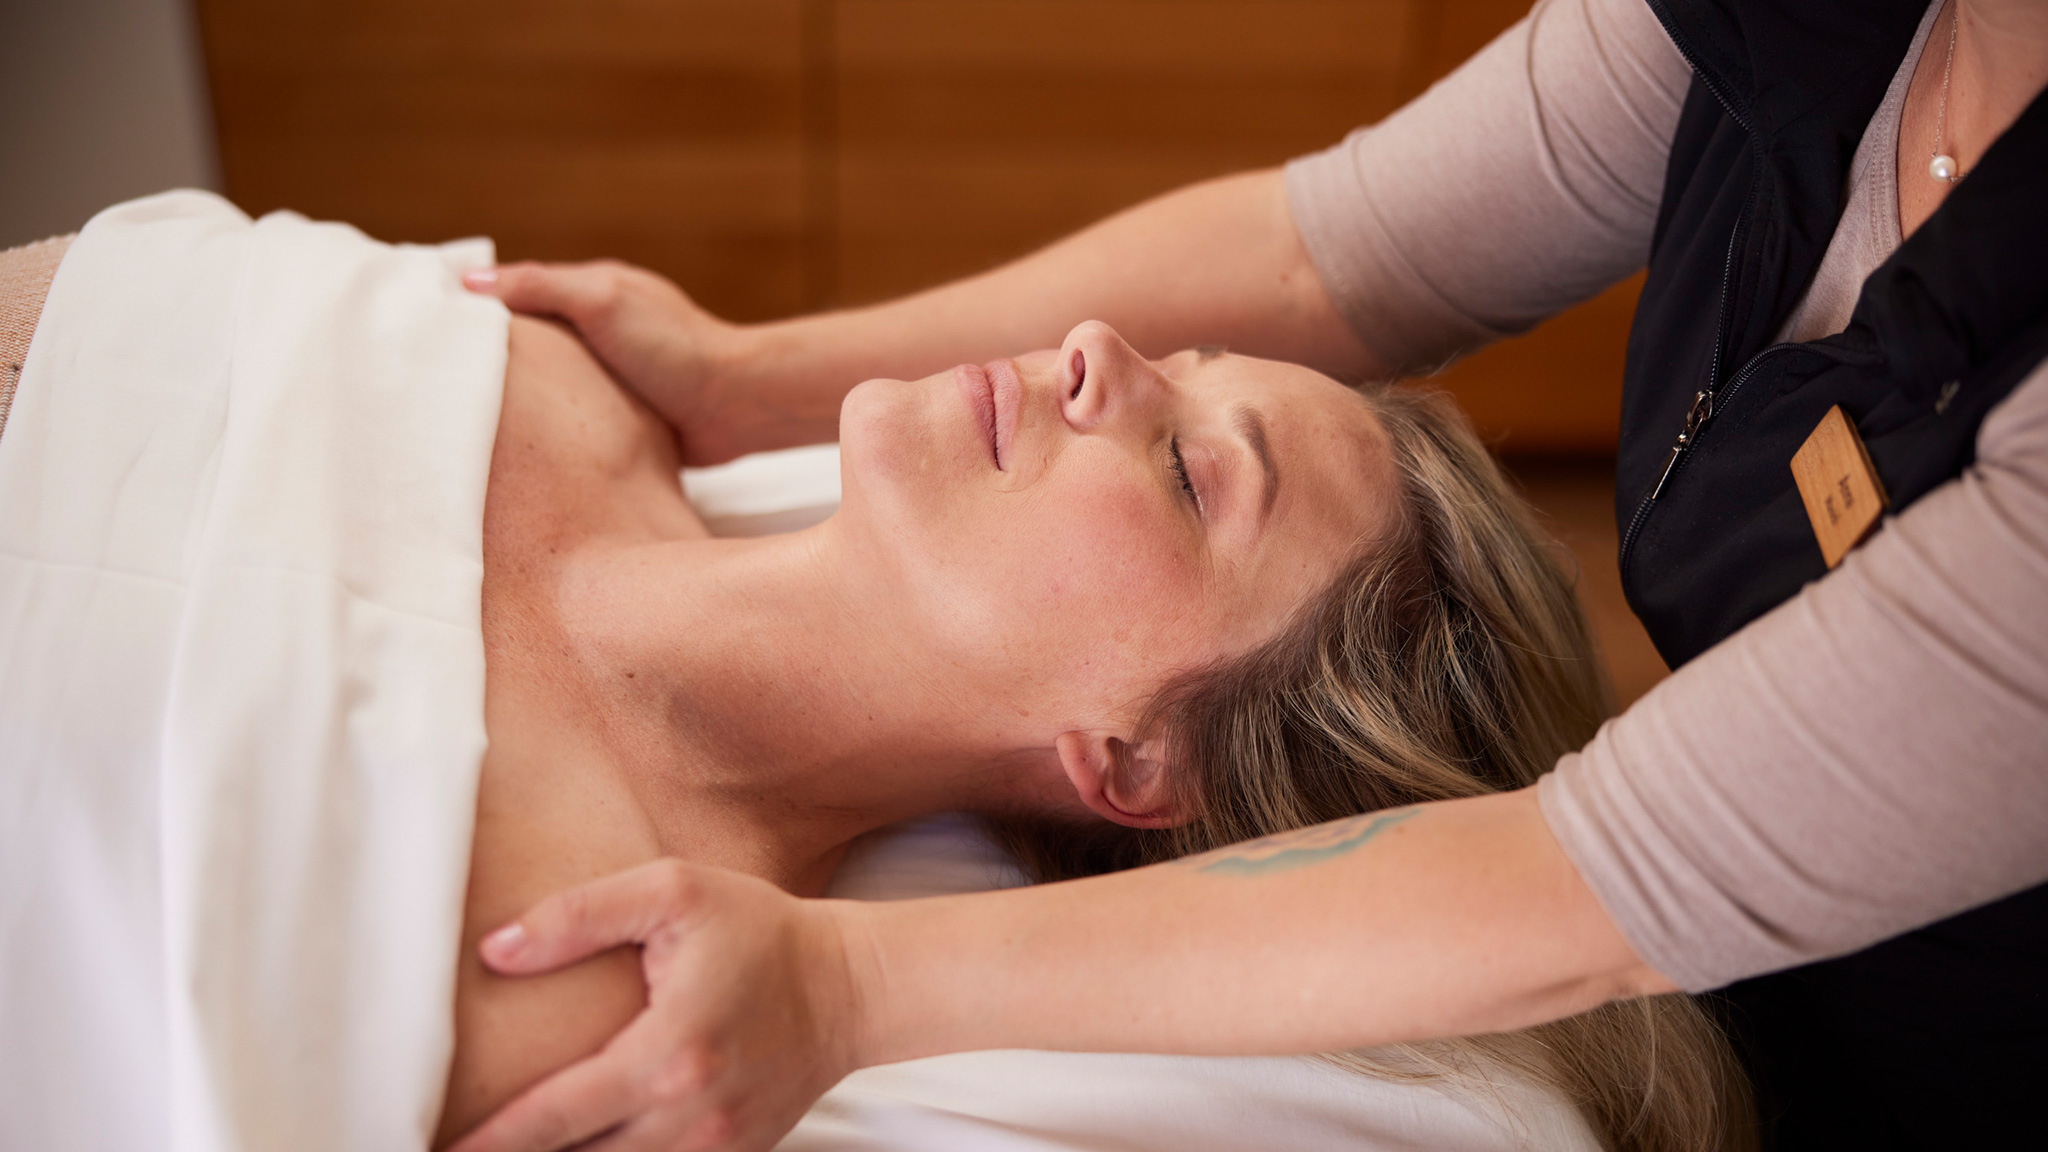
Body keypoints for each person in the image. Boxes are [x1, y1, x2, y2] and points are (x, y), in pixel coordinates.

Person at [450, 0, 2048, 1148]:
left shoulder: (552, 975)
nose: (1091, 357)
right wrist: (747, 379)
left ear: (1132, 765)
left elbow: (1606, 884)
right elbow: (1327, 259)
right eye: (1190, 375)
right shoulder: (527, 396)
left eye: (1190, 469)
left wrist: (843, 991)